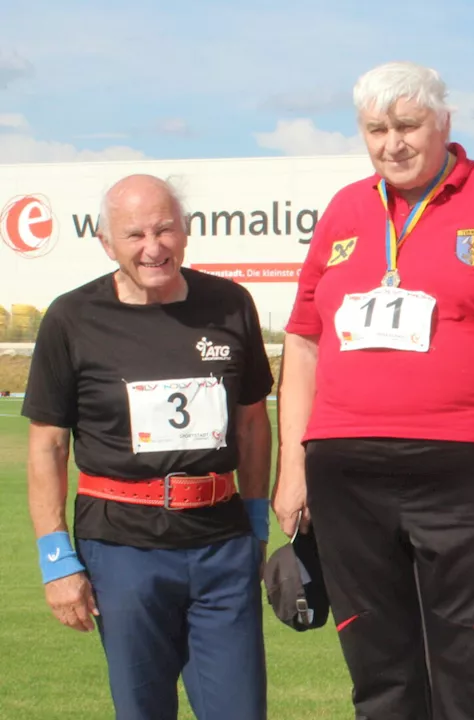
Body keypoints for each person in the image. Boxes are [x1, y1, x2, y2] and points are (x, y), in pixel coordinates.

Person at [271, 61, 474, 719]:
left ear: (444, 122)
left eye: (408, 125)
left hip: (471, 470)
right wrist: (293, 466)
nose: (393, 143)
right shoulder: (345, 210)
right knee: (380, 674)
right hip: (347, 473)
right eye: (375, 129)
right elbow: (302, 342)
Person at [23, 174, 273, 720]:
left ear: (185, 232)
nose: (153, 247)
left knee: (240, 710)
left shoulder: (231, 304)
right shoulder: (72, 317)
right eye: (134, 235)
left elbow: (253, 423)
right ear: (107, 243)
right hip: (121, 549)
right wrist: (55, 559)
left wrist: (256, 522)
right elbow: (47, 445)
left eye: (164, 229)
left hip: (222, 543)